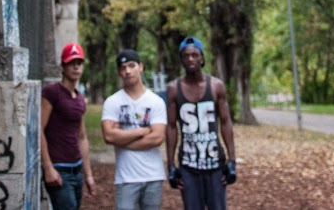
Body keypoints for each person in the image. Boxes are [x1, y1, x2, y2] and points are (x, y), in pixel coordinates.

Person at [166, 36, 236, 210]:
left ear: (202, 58)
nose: (190, 59)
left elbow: (226, 123)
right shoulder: (174, 89)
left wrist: (232, 160)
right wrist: (170, 165)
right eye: (186, 56)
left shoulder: (216, 86)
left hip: (215, 165)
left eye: (195, 55)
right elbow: (171, 126)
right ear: (181, 60)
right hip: (188, 166)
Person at [101, 49, 167, 210]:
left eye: (131, 66)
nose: (128, 71)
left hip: (153, 175)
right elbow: (109, 136)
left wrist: (122, 138)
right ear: (119, 72)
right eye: (123, 68)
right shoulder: (112, 102)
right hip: (126, 177)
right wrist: (142, 131)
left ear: (141, 67)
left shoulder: (156, 102)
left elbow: (157, 138)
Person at [41, 42, 96, 209]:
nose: (76, 67)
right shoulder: (52, 93)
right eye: (71, 63)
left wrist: (88, 175)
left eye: (79, 63)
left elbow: (82, 136)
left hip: (76, 169)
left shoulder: (79, 98)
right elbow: (39, 131)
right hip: (58, 169)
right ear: (62, 66)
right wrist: (48, 168)